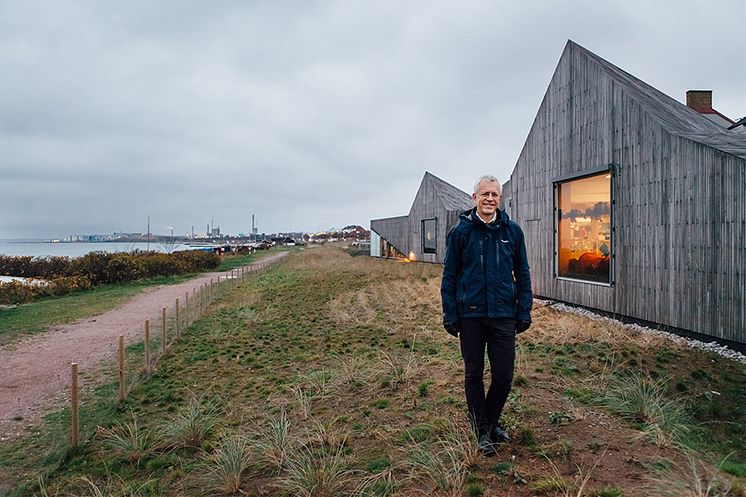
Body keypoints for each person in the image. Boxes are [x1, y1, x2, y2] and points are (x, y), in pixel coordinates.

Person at [440, 175, 532, 455]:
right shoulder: (461, 233)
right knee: (474, 374)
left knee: (503, 376)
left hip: (503, 314)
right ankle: (483, 431)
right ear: (474, 198)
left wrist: (524, 309)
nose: (489, 198)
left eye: (494, 194)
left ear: (499, 199)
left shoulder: (512, 232)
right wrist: (450, 313)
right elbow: (450, 276)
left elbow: (523, 274)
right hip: (470, 316)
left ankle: (488, 422)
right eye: (484, 194)